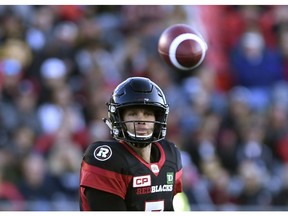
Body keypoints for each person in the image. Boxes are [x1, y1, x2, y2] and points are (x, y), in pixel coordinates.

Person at [79, 76, 183, 211]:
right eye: (133, 113)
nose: (141, 120)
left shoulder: (171, 155)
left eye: (147, 114)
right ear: (118, 118)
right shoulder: (108, 159)